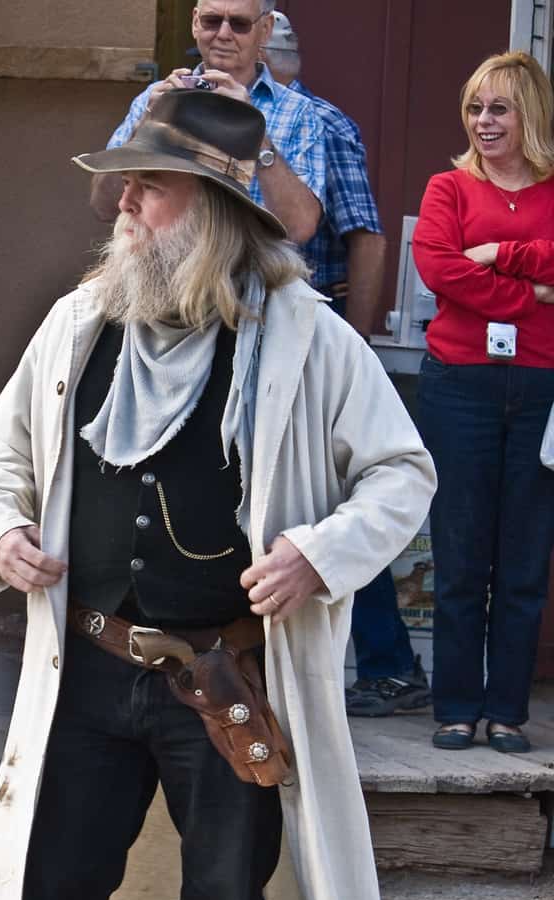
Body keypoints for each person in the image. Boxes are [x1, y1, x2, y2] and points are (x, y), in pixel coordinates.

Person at [0, 91, 435, 900]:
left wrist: (318, 555)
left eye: (151, 185)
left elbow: (401, 472)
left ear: (218, 212)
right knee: (51, 898)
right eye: (125, 184)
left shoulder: (306, 337)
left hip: (222, 688)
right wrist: (2, 532)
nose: (124, 203)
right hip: (87, 669)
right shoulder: (82, 324)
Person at [260, 11, 431, 720]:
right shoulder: (184, 105)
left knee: (332, 498)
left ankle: (390, 665)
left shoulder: (322, 123)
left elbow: (365, 236)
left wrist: (354, 343)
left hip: (309, 328)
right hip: (237, 333)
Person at [413, 51, 554, 754]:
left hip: (542, 390)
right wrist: (534, 295)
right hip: (459, 385)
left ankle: (507, 712)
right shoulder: (448, 187)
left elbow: (478, 269)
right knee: (462, 555)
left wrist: (501, 251)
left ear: (530, 112)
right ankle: (457, 707)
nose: (484, 121)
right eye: (475, 108)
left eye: (498, 107)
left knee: (524, 561)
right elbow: (439, 268)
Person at [89, 0, 324, 245]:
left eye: (239, 24)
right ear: (194, 23)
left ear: (265, 30)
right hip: (165, 273)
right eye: (211, 21)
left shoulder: (297, 111)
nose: (223, 34)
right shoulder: (153, 100)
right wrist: (148, 123)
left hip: (251, 277)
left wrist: (255, 133)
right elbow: (104, 207)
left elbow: (299, 228)